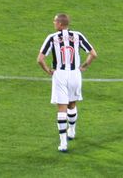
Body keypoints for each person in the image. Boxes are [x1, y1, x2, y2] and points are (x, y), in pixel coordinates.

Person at [37, 13, 97, 153]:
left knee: (61, 109)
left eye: (55, 21)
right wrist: (84, 66)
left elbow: (40, 59)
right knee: (72, 105)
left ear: (60, 24)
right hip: (75, 74)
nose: (53, 23)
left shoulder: (52, 38)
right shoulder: (78, 35)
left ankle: (63, 143)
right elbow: (93, 54)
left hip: (60, 75)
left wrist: (48, 70)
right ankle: (72, 130)